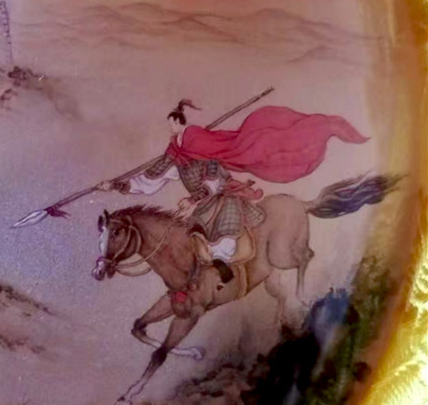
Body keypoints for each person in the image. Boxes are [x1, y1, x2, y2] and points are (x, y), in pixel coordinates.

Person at [99, 98, 368, 284]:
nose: (171, 129)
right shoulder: (175, 156)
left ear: (179, 124)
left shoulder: (203, 146)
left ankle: (224, 261)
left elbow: (213, 180)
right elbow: (151, 179)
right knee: (186, 231)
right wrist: (115, 185)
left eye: (173, 124)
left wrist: (194, 198)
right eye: (170, 125)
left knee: (224, 212)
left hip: (218, 195)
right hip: (197, 204)